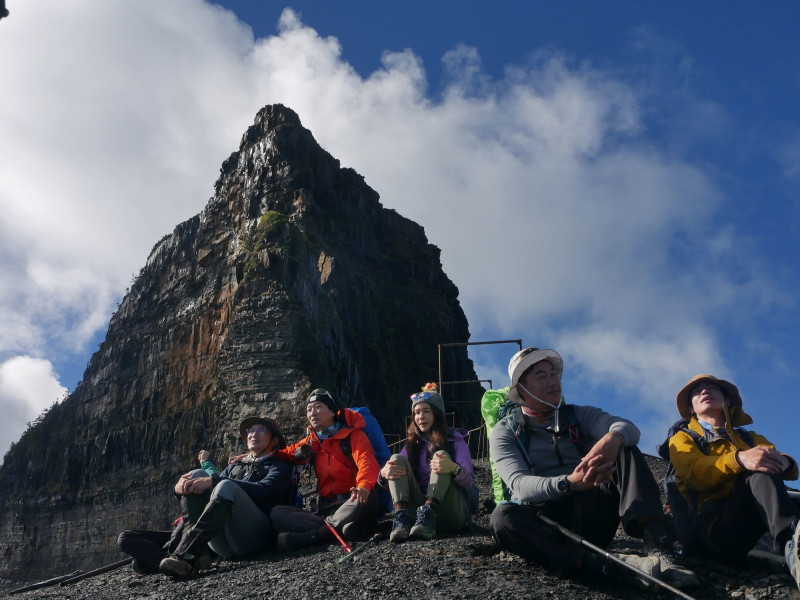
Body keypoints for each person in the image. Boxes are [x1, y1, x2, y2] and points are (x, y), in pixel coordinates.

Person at [489, 347, 696, 589]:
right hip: (548, 521)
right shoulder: (506, 431)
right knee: (502, 518)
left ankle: (660, 549)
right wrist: (569, 483)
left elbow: (629, 429)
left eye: (554, 374)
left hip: (592, 512)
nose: (553, 382)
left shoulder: (577, 415)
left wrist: (613, 438)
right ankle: (602, 566)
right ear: (522, 389)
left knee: (625, 448)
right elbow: (519, 485)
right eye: (541, 376)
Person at [669, 374, 800, 589]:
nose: (704, 391)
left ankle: (770, 548)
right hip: (716, 529)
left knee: (762, 466)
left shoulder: (750, 437)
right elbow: (693, 472)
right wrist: (739, 459)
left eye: (711, 388)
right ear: (691, 409)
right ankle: (791, 545)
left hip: (753, 523)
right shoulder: (682, 439)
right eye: (697, 391)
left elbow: (777, 459)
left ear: (727, 400)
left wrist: (785, 462)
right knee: (758, 471)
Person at [157, 416, 295, 577]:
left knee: (225, 485)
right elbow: (208, 489)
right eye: (251, 430)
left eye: (262, 430)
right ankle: (195, 555)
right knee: (197, 474)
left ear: (274, 441)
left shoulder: (279, 466)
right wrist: (178, 490)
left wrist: (215, 480)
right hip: (223, 544)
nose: (254, 434)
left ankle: (188, 551)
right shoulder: (235, 467)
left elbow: (265, 489)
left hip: (256, 538)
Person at [270, 388, 381, 551]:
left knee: (365, 496)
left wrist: (363, 485)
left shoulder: (353, 436)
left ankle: (317, 535)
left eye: (318, 407)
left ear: (332, 411)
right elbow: (288, 453)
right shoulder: (312, 441)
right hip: (326, 510)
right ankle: (339, 528)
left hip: (352, 500)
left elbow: (367, 462)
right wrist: (256, 454)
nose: (312, 413)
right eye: (309, 409)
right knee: (277, 514)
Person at [378, 383, 475, 542]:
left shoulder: (455, 440)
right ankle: (402, 518)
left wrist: (453, 468)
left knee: (441, 455)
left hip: (449, 512)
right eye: (416, 413)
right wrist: (383, 474)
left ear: (437, 414)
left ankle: (429, 513)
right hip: (417, 517)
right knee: (396, 459)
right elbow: (393, 481)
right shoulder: (412, 444)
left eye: (426, 411)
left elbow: (469, 482)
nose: (420, 417)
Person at [117, 450, 219, 574]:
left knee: (141, 563)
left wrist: (205, 462)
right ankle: (172, 560)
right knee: (125, 538)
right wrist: (178, 489)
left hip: (203, 532)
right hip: (185, 530)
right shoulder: (228, 471)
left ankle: (178, 559)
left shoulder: (227, 483)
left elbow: (220, 482)